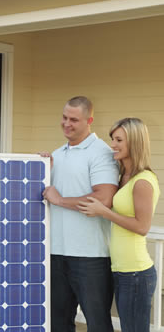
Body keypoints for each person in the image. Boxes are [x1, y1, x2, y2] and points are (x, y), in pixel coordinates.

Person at [41, 96, 119, 332]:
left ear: (89, 120)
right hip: (55, 254)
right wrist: (40, 169)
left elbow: (104, 199)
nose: (67, 123)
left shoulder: (101, 153)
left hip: (90, 257)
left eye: (74, 119)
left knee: (97, 324)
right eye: (64, 117)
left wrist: (60, 200)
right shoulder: (57, 154)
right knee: (58, 324)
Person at [77, 117, 159, 332]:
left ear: (135, 142)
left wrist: (104, 212)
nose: (112, 144)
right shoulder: (123, 176)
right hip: (121, 271)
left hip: (136, 273)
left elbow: (142, 227)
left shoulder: (142, 181)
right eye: (112, 138)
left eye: (119, 140)